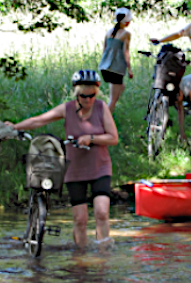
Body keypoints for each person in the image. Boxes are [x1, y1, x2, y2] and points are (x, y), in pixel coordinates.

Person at [5, 70, 119, 248]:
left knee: (102, 212)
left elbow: (113, 138)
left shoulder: (101, 108)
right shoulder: (67, 109)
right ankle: (81, 258)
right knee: (80, 219)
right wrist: (15, 127)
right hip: (75, 170)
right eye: (83, 96)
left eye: (92, 96)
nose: (88, 100)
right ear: (76, 94)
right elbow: (39, 121)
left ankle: (103, 254)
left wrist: (92, 138)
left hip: (100, 167)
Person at [99, 7, 133, 113]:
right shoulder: (126, 34)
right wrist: (130, 69)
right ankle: (103, 121)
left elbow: (104, 49)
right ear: (127, 22)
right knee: (113, 100)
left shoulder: (109, 32)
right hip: (116, 68)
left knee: (120, 88)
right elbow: (125, 52)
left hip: (105, 67)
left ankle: (106, 115)